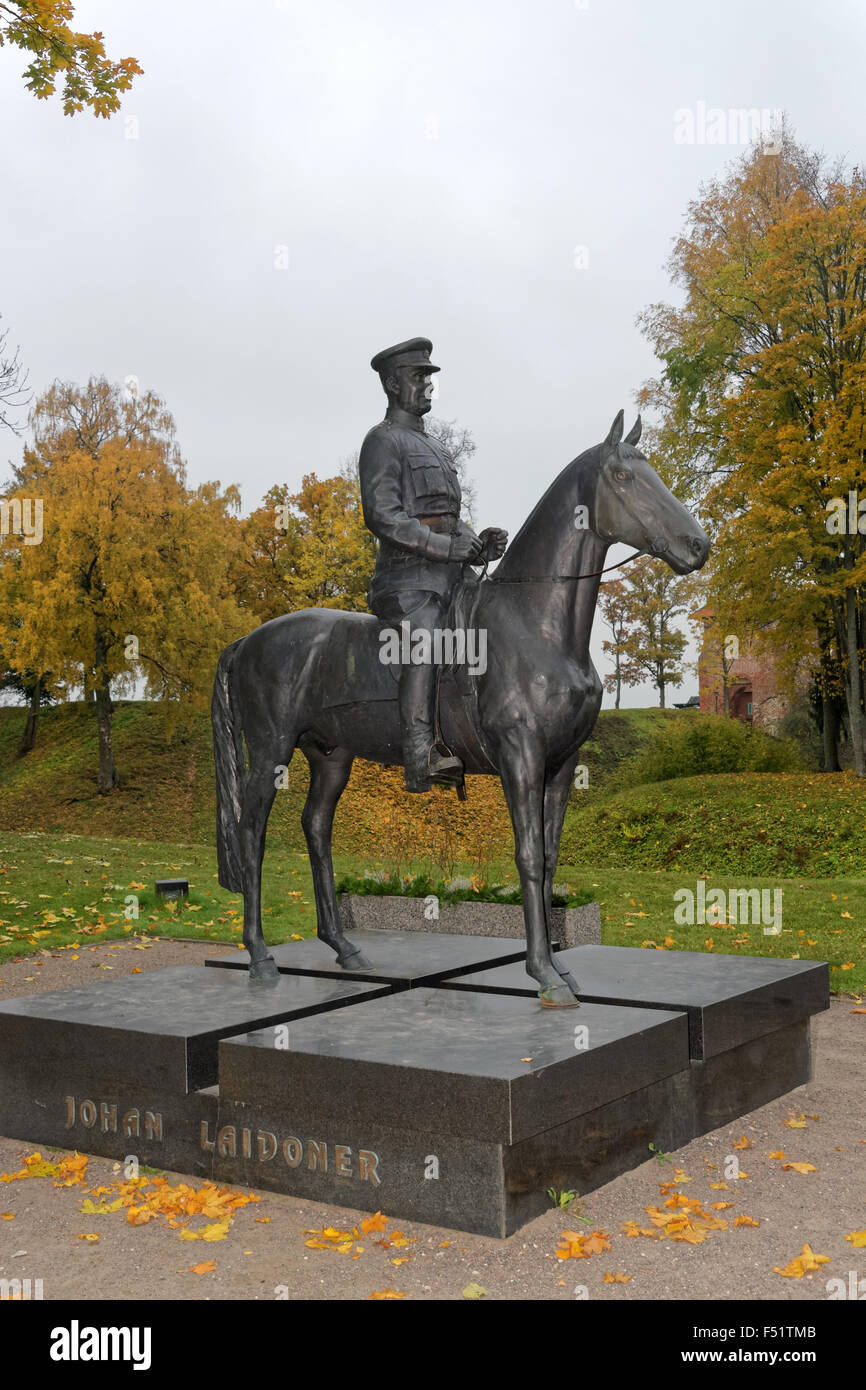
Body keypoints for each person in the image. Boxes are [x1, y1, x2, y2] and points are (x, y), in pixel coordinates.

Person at [359, 337, 507, 792]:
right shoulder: (382, 441)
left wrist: (476, 545)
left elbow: (447, 519)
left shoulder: (437, 448)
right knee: (423, 639)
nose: (428, 385)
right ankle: (420, 753)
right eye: (419, 377)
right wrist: (445, 549)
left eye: (430, 378)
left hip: (452, 576)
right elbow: (383, 515)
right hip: (408, 581)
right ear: (391, 383)